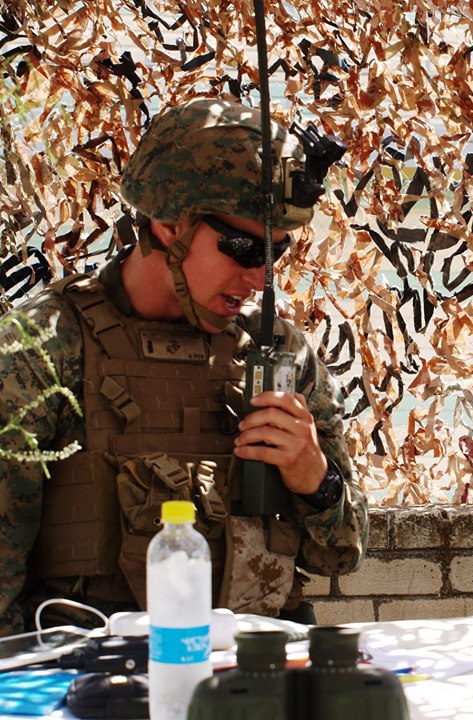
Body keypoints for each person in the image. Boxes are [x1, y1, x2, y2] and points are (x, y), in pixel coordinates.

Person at [0, 98, 368, 635]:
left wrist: (318, 482)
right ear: (172, 224)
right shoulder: (43, 349)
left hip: (255, 658)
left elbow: (340, 556)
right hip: (97, 666)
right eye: (244, 248)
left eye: (276, 253)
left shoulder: (278, 355)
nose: (260, 278)